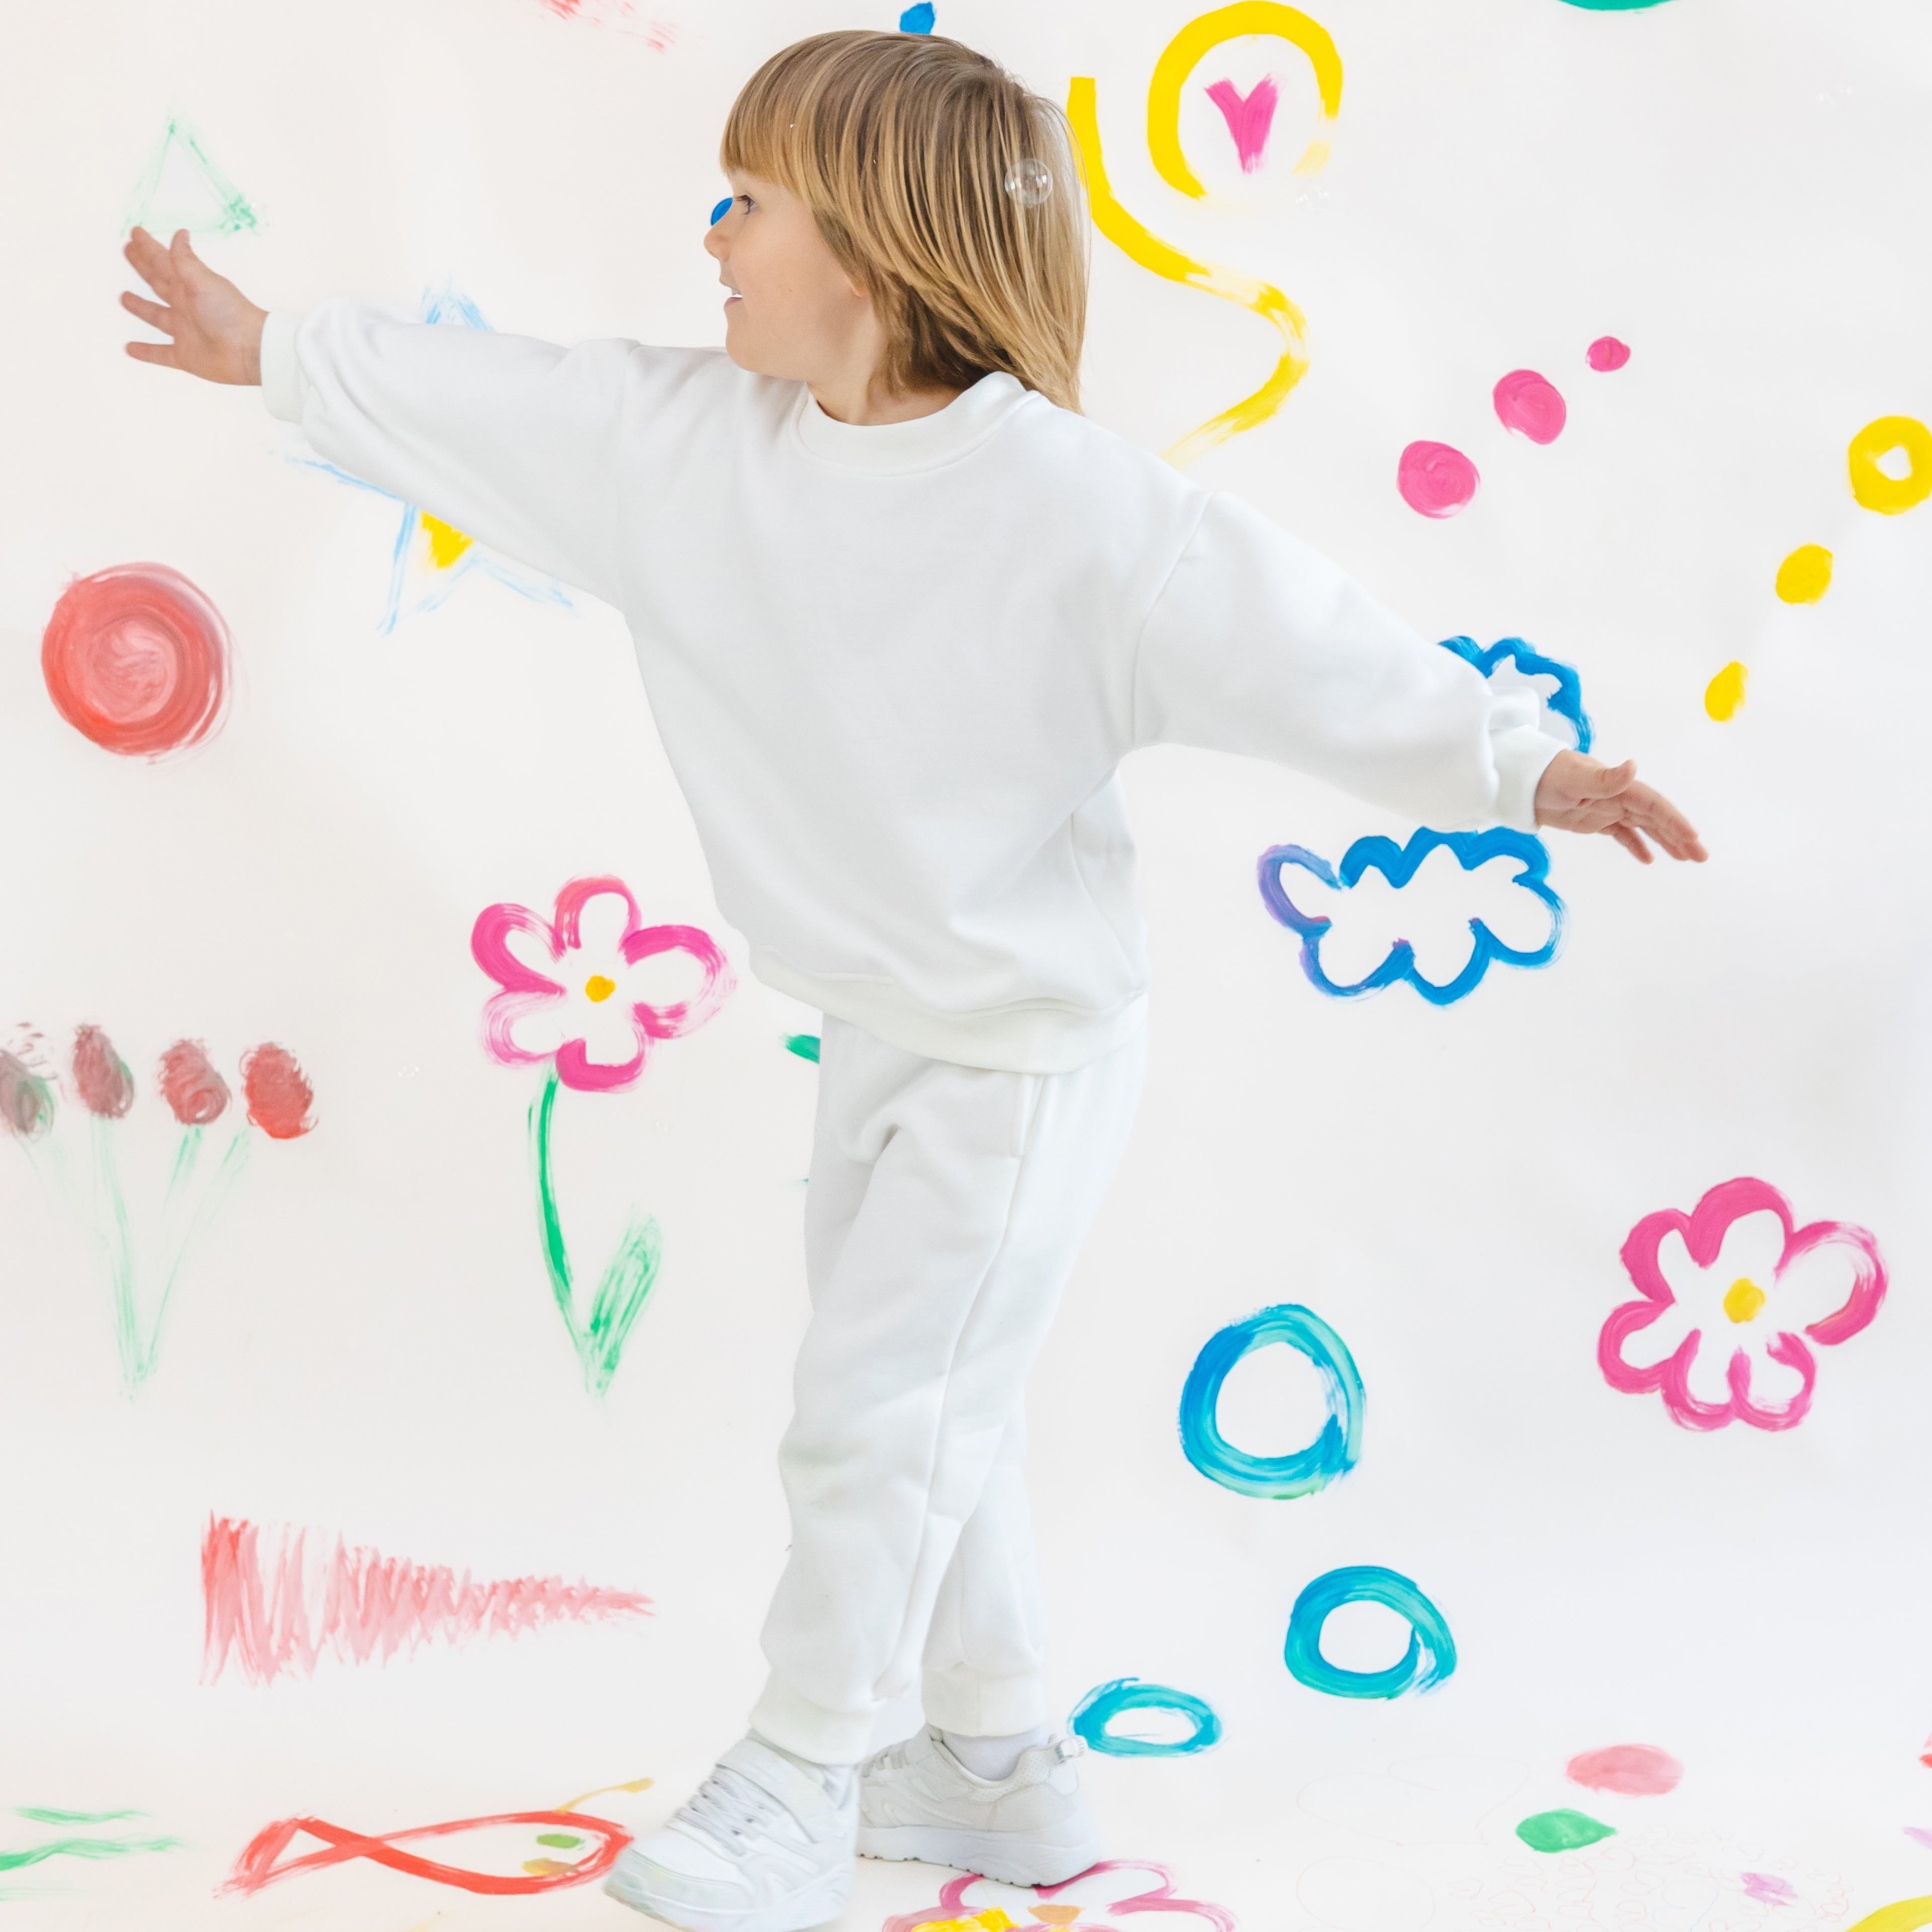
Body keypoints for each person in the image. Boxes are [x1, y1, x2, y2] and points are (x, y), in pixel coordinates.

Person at [119, 26, 1705, 1932]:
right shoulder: (686, 450)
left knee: (881, 1413)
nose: (712, 236)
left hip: (1022, 1047)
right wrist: (274, 349)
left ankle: (801, 1769)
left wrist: (1524, 772)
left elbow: (1316, 652)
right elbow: (500, 403)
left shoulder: (1082, 517)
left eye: (751, 204)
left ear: (866, 255)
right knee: (930, 1404)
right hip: (876, 1020)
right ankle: (994, 1762)